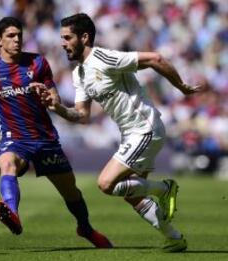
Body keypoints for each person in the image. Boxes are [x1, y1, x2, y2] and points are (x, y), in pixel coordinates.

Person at [31, 13, 204, 252]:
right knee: (132, 193)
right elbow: (82, 115)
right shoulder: (79, 73)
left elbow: (156, 58)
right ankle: (174, 237)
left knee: (106, 183)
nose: (62, 43)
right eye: (61, 38)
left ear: (84, 37)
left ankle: (164, 189)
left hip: (145, 129)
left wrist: (181, 87)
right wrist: (57, 107)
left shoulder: (104, 57)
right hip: (132, 134)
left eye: (67, 37)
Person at [0, 16, 112, 248]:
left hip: (45, 139)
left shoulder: (38, 63)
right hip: (15, 138)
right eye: (11, 36)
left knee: (70, 191)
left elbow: (55, 99)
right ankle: (12, 212)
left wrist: (48, 97)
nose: (17, 40)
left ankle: (86, 228)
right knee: (7, 163)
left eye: (19, 35)